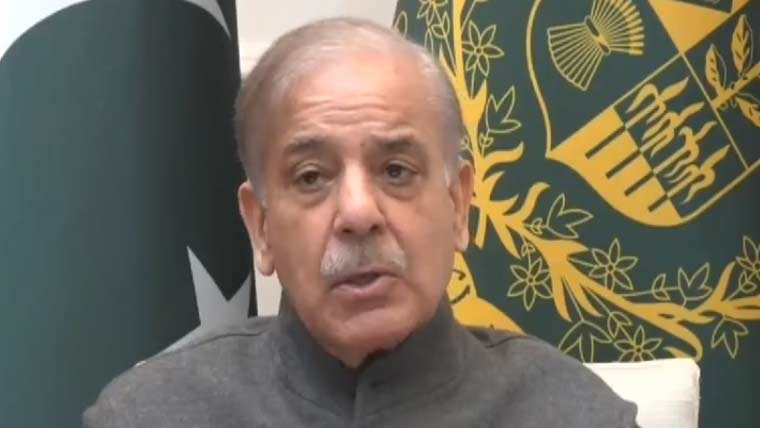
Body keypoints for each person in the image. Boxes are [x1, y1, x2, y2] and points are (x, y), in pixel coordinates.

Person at [83, 17, 638, 427]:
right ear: (261, 227)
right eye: (310, 177)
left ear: (458, 205)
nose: (358, 213)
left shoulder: (574, 414)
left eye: (396, 171)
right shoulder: (148, 416)